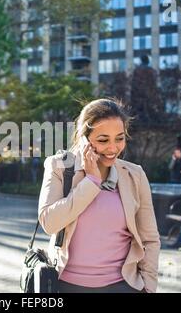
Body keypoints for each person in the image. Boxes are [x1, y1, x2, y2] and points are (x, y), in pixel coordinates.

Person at [38, 98, 160, 293]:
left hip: (123, 286)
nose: (113, 148)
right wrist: (91, 182)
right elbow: (49, 223)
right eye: (103, 140)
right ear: (83, 138)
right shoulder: (59, 166)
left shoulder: (134, 174)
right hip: (67, 286)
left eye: (119, 138)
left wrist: (148, 287)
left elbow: (150, 239)